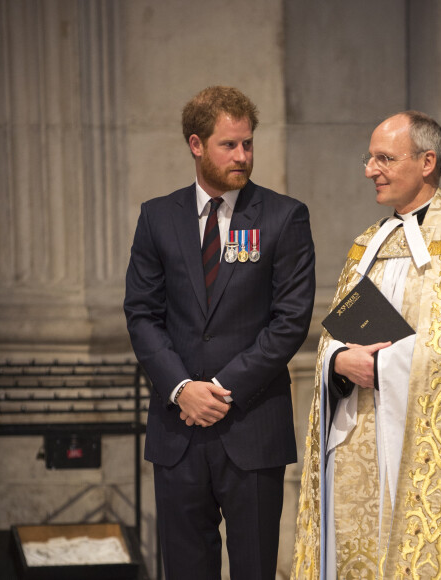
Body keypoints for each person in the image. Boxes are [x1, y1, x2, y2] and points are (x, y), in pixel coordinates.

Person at [291, 111, 441, 579]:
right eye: (369, 158)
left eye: (383, 158)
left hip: (433, 446)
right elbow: (332, 336)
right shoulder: (369, 246)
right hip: (358, 437)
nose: (369, 170)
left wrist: (380, 368)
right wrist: (340, 360)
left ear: (427, 162)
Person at [124, 85, 315, 580]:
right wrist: (183, 389)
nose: (242, 156)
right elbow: (142, 315)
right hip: (178, 428)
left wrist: (221, 390)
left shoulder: (282, 216)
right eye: (229, 145)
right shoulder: (157, 217)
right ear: (196, 144)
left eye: (248, 143)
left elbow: (290, 319)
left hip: (250, 426)